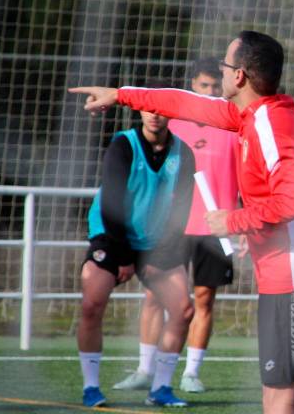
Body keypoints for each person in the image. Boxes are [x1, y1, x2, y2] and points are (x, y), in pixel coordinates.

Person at [69, 30, 294, 414]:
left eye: (224, 64)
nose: (219, 71)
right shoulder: (255, 115)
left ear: (239, 76)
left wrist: (233, 220)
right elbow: (186, 104)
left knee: (279, 390)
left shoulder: (271, 127)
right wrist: (122, 94)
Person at [113, 58, 238, 394]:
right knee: (154, 296)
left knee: (203, 299)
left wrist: (242, 220)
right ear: (192, 88)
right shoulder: (173, 127)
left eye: (215, 87)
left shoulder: (234, 127)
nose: (211, 93)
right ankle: (144, 369)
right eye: (203, 86)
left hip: (215, 228)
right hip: (172, 227)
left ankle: (192, 372)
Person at [76, 78, 196, 408]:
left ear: (171, 112)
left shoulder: (183, 153)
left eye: (160, 107)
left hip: (155, 241)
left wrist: (162, 253)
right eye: (147, 106)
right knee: (91, 305)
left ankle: (160, 389)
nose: (154, 114)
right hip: (112, 234)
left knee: (184, 310)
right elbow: (113, 203)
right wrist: (126, 257)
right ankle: (90, 388)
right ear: (138, 108)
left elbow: (182, 210)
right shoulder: (123, 145)